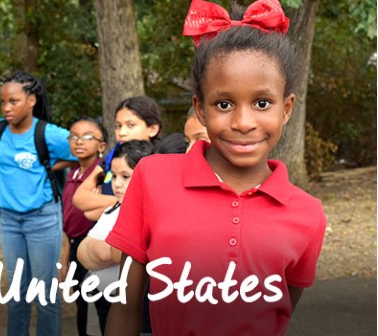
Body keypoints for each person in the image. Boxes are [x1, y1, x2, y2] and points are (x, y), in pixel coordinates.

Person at [104, 1, 327, 335]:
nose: (243, 122)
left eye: (262, 103)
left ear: (287, 108)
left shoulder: (308, 215)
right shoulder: (153, 178)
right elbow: (125, 308)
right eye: (224, 104)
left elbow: (278, 315)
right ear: (200, 109)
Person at [0, 70, 76, 336]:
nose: (6, 108)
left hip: (42, 219)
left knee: (45, 293)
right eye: (3, 102)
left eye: (13, 101)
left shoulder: (50, 135)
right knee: (16, 292)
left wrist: (49, 165)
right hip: (9, 221)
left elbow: (85, 152)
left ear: (31, 101)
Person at [76, 140, 155, 334]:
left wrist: (98, 250)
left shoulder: (146, 214)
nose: (117, 183)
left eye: (126, 176)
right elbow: (83, 251)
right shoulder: (115, 208)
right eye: (113, 175)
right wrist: (97, 250)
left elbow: (116, 252)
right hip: (102, 298)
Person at [72, 96, 163, 221]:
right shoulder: (111, 159)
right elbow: (79, 198)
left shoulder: (159, 161)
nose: (122, 132)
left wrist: (99, 201)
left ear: (152, 129)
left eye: (130, 125)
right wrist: (120, 200)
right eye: (118, 126)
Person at [60, 117, 108, 336]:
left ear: (102, 146)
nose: (79, 141)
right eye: (74, 137)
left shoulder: (101, 175)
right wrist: (65, 258)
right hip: (73, 247)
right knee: (81, 302)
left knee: (98, 307)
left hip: (93, 247)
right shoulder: (72, 174)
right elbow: (67, 221)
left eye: (88, 137)